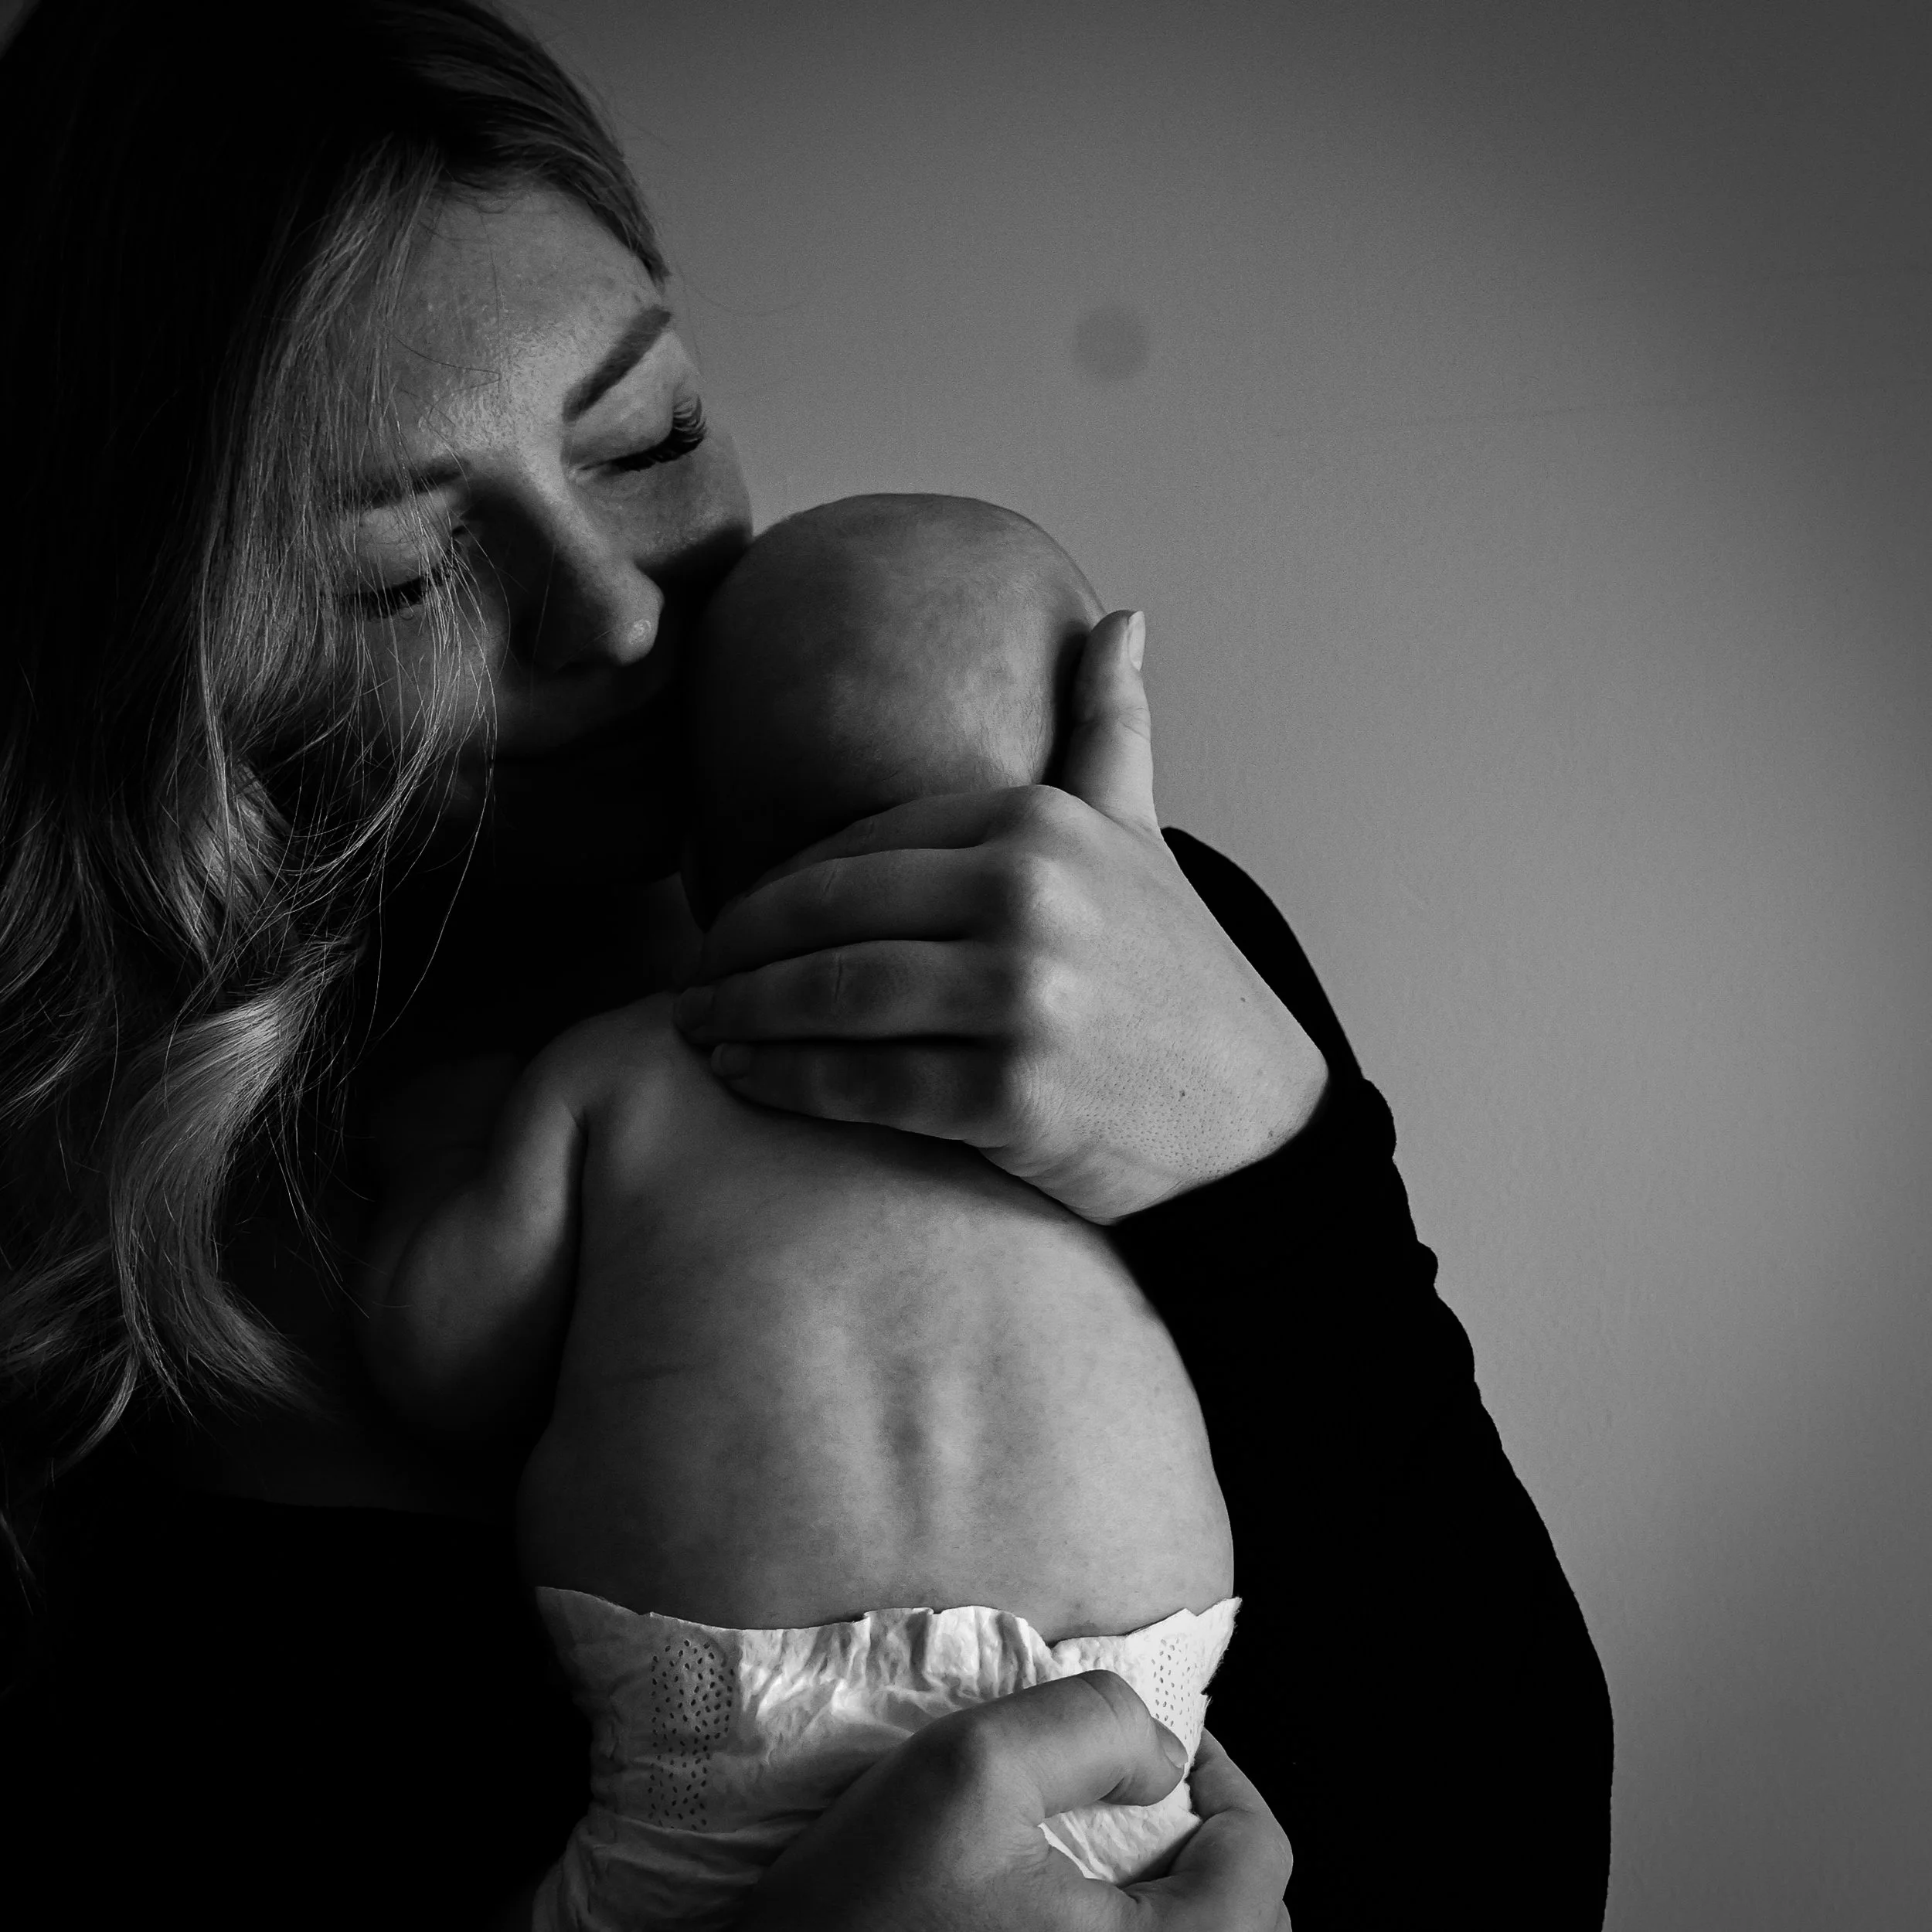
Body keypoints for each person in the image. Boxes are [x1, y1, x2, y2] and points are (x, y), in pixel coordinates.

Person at [0, 3, 1611, 1929]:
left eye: (648, 434)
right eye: (406, 572)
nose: (612, 608)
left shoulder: (1091, 958)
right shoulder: (71, 1240)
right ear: (151, 645)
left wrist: (1263, 1162)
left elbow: (1511, 1849)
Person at [361, 492, 1241, 1928]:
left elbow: (445, 1360)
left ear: (699, 858)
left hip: (740, 1733)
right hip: (1122, 1722)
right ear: (1086, 833)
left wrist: (444, 1151)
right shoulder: (1114, 1096)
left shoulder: (629, 1071)